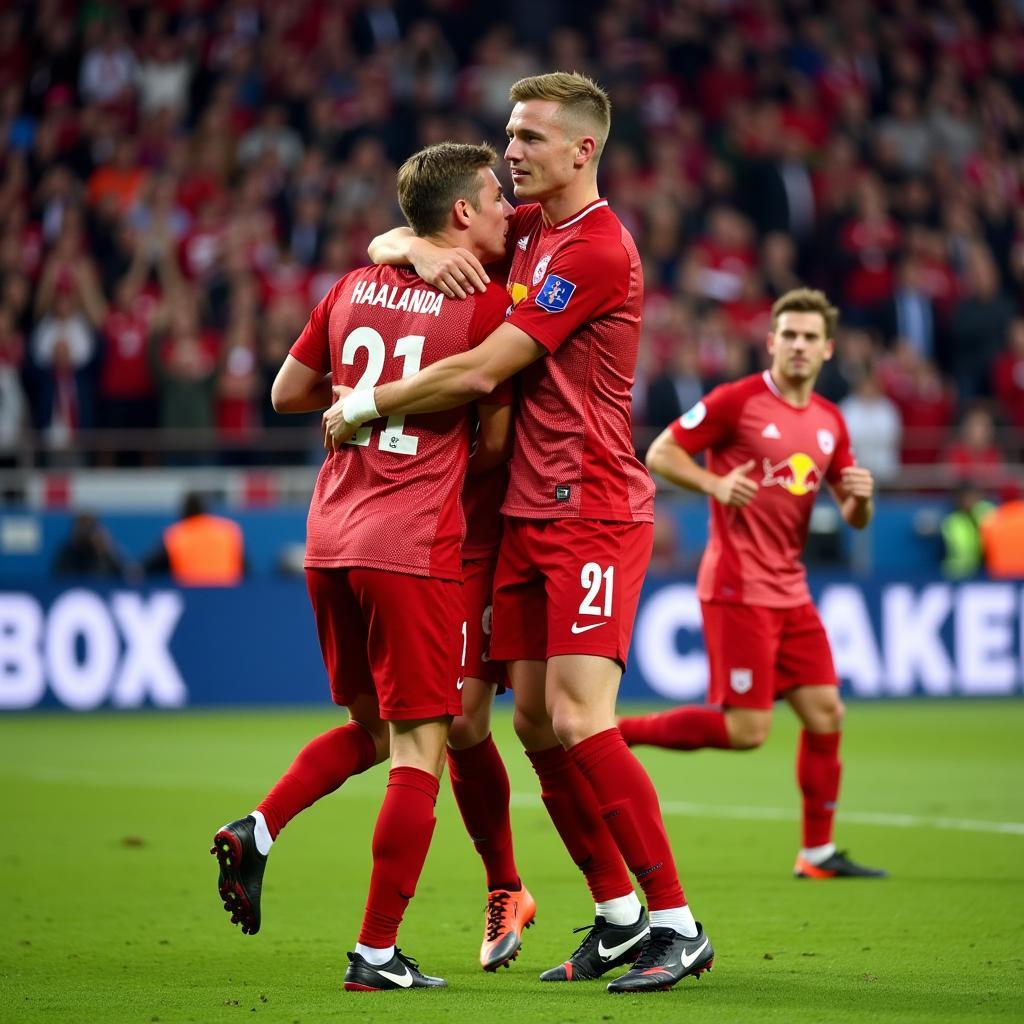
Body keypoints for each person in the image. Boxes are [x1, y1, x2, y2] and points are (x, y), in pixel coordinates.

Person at [337, 71, 713, 994]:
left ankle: (676, 921)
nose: (511, 151)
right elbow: (418, 230)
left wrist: (366, 405)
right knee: (534, 724)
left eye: (531, 139)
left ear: (583, 149)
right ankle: (618, 917)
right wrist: (412, 249)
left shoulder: (596, 250)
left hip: (589, 507)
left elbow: (481, 371)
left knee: (583, 716)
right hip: (522, 516)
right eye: (510, 135)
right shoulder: (535, 232)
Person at [211, 141, 517, 992]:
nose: (504, 209)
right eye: (493, 197)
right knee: (426, 745)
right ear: (460, 212)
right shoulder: (486, 308)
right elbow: (492, 445)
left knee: (374, 732)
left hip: (330, 538)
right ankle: (377, 953)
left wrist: (357, 392)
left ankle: (259, 829)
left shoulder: (348, 287)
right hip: (412, 546)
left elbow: (285, 394)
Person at [617, 288, 887, 881]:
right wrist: (714, 486)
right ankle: (615, 735)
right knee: (747, 731)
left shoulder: (829, 422)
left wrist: (863, 502)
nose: (797, 345)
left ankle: (816, 853)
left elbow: (851, 512)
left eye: (809, 337)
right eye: (788, 334)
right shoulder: (738, 401)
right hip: (738, 585)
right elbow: (661, 453)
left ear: (827, 349)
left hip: (792, 590)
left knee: (826, 713)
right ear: (770, 342)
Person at [143, 491, 245, 586]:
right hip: (228, 595)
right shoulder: (229, 531)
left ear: (183, 511)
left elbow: (148, 568)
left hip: (190, 596)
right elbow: (246, 570)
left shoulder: (176, 535)